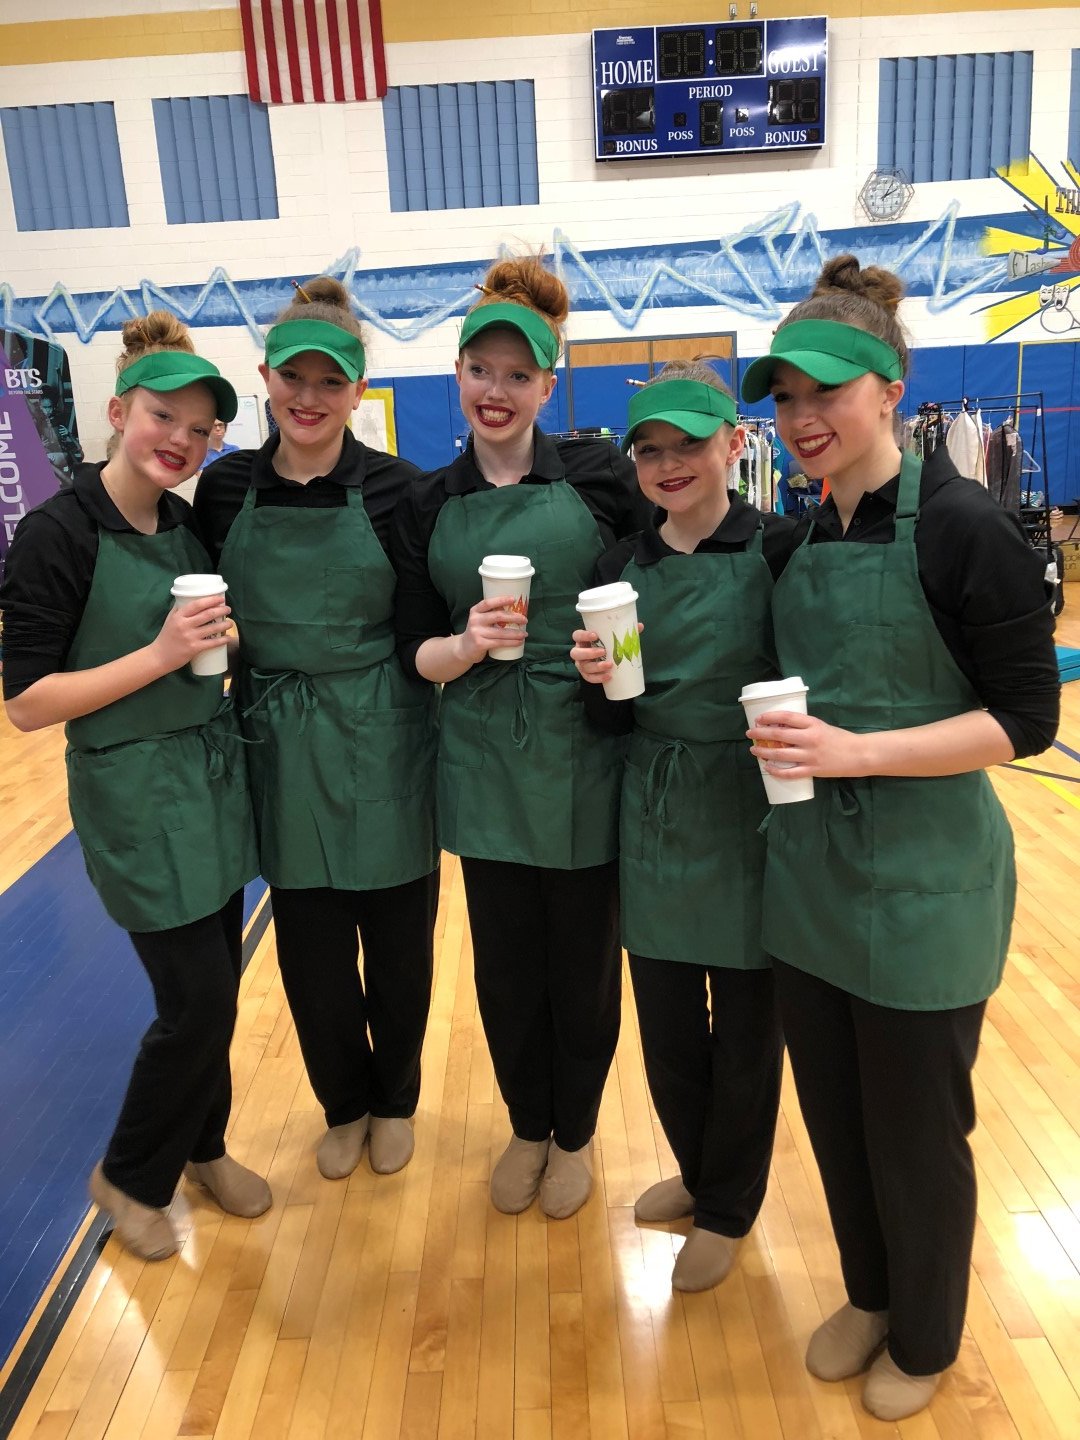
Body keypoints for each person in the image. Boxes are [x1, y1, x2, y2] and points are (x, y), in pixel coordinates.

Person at [739, 255, 1060, 1420]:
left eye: (825, 392)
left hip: (927, 888)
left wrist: (858, 752)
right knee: (837, 1119)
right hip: (814, 883)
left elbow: (1026, 719)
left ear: (889, 387)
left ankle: (923, 1340)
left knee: (918, 1135)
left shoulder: (966, 527)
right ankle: (870, 1294)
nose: (801, 418)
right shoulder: (796, 540)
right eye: (785, 398)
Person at [0, 312, 269, 1261]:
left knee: (218, 987)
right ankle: (129, 1177)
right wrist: (159, 654)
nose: (181, 441)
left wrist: (217, 642)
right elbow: (28, 703)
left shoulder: (185, 525)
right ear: (118, 412)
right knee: (195, 1003)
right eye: (164, 417)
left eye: (201, 430)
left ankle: (205, 1148)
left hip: (208, 781)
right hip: (135, 797)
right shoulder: (58, 533)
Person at [392, 255, 651, 1219]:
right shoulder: (427, 501)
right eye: (479, 371)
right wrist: (464, 644)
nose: (494, 392)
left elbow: (655, 584)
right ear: (458, 376)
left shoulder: (601, 478)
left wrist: (617, 657)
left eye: (516, 374)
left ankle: (574, 1133)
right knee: (504, 970)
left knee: (583, 967)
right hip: (481, 758)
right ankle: (526, 1125)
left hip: (583, 750)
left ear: (549, 383)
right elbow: (412, 651)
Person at [194, 278, 439, 1182]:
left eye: (330, 381)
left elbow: (422, 622)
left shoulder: (400, 489)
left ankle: (396, 1099)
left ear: (357, 389)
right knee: (312, 950)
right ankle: (344, 1103)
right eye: (292, 378)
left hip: (385, 733)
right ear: (263, 378)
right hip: (281, 743)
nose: (308, 397)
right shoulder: (225, 489)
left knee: (400, 945)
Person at [570, 362, 794, 1289]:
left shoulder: (781, 547)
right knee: (665, 1023)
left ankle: (730, 1206)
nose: (668, 465)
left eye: (689, 445)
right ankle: (701, 1173)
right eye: (649, 451)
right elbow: (608, 721)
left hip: (748, 807)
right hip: (655, 806)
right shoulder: (617, 568)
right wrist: (595, 680)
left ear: (734, 444)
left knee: (746, 1028)